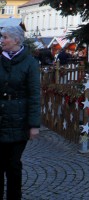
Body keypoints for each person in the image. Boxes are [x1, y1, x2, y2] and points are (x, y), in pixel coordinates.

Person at [0, 26, 40, 200]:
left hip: (19, 121)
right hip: (0, 120)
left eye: (5, 37)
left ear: (16, 40)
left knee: (13, 164)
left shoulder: (30, 62)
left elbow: (34, 96)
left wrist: (34, 125)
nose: (1, 40)